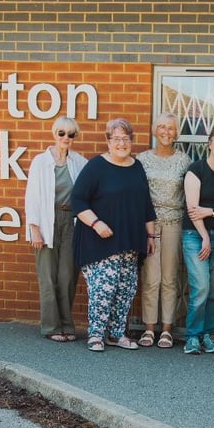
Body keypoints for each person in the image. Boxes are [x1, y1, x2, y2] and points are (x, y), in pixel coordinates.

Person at [72, 118, 156, 352]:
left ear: (131, 141)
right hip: (100, 241)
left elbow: (146, 203)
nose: (122, 143)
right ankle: (96, 335)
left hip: (130, 241)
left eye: (126, 138)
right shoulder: (96, 166)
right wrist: (96, 223)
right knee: (103, 289)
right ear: (108, 141)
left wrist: (151, 236)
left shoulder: (137, 166)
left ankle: (116, 334)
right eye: (116, 138)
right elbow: (77, 200)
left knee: (125, 289)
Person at [25, 116, 88, 342]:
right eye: (61, 133)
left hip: (71, 220)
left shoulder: (80, 162)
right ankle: (51, 326)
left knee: (67, 276)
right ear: (54, 134)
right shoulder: (40, 162)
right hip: (46, 220)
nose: (66, 138)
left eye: (71, 134)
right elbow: (31, 196)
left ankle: (67, 325)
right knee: (48, 277)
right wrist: (34, 229)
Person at [137, 113, 192, 349]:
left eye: (171, 128)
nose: (166, 131)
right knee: (150, 277)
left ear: (176, 133)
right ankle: (149, 328)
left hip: (173, 223)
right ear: (153, 130)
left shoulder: (184, 161)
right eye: (161, 127)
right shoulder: (141, 159)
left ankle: (167, 329)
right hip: (148, 223)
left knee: (170, 277)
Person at [181, 127, 214, 355]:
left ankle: (206, 335)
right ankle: (192, 337)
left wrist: (210, 211)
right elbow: (193, 210)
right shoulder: (196, 170)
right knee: (201, 287)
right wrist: (205, 236)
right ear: (209, 144)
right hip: (195, 236)